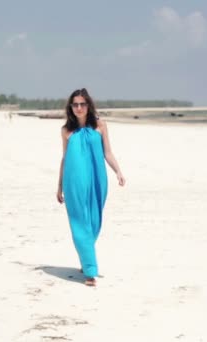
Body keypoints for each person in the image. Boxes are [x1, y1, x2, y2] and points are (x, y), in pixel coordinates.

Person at [56, 88, 125, 287]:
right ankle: (90, 271)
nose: (79, 108)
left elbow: (108, 153)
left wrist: (118, 171)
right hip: (74, 181)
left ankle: (86, 255)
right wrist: (59, 185)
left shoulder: (101, 126)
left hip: (97, 179)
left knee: (94, 221)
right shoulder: (66, 130)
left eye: (82, 104)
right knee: (79, 222)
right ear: (71, 107)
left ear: (88, 106)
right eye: (75, 104)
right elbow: (65, 158)